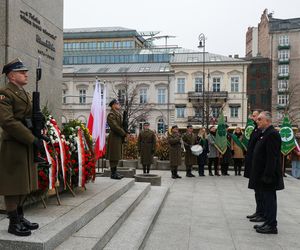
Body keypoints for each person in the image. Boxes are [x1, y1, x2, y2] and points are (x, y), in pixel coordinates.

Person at [0, 58, 42, 236]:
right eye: (21, 72)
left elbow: (28, 115)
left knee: (25, 183)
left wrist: (40, 122)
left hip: (24, 144)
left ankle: (20, 215)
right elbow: (7, 121)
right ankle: (13, 222)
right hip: (14, 144)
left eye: (25, 71)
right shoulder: (5, 93)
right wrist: (31, 138)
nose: (26, 74)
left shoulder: (22, 92)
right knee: (13, 184)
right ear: (11, 76)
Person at [249, 111, 284, 234]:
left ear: (267, 121)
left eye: (259, 119)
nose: (257, 121)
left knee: (269, 200)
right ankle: (268, 221)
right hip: (262, 174)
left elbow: (272, 157)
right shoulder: (265, 133)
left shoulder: (272, 134)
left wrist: (268, 175)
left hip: (268, 176)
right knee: (266, 199)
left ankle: (272, 225)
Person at [244, 111, 265, 222]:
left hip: (258, 165)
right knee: (257, 191)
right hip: (253, 163)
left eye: (255, 115)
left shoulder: (262, 131)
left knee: (260, 191)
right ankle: (258, 211)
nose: (253, 117)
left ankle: (261, 213)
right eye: (252, 116)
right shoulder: (256, 129)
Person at [107, 98, 127, 180]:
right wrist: (123, 133)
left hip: (118, 136)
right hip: (114, 136)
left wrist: (125, 128)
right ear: (113, 105)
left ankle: (115, 172)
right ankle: (113, 173)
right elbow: (115, 126)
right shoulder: (111, 115)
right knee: (114, 155)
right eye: (118, 104)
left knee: (117, 155)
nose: (119, 105)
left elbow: (121, 125)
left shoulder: (118, 114)